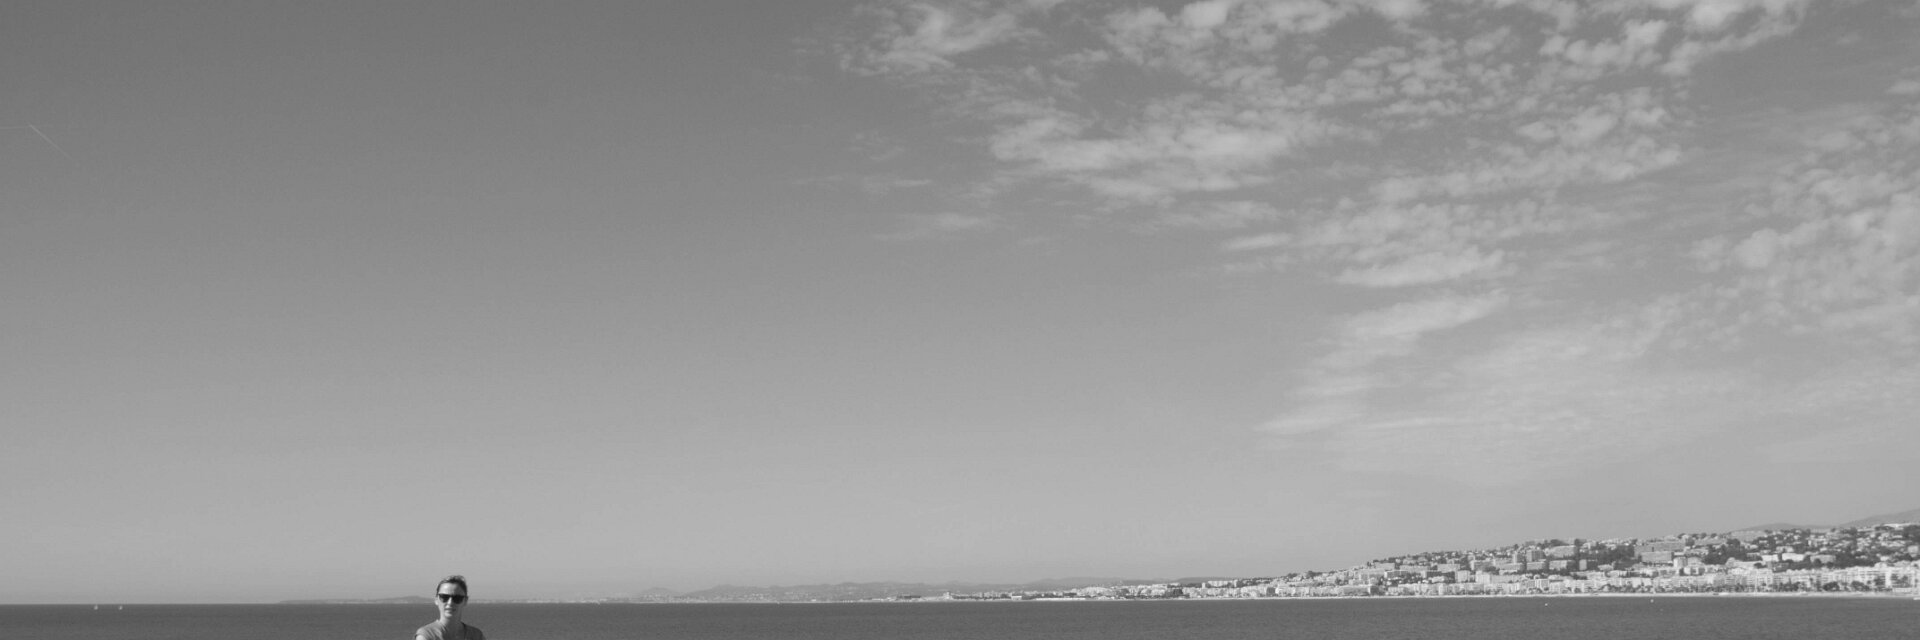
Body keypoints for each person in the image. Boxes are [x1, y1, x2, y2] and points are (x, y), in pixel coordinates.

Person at [416, 575, 485, 640]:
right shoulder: (427, 636)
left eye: (457, 598)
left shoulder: (476, 635)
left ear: (465, 601)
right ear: (436, 600)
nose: (450, 603)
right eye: (444, 597)